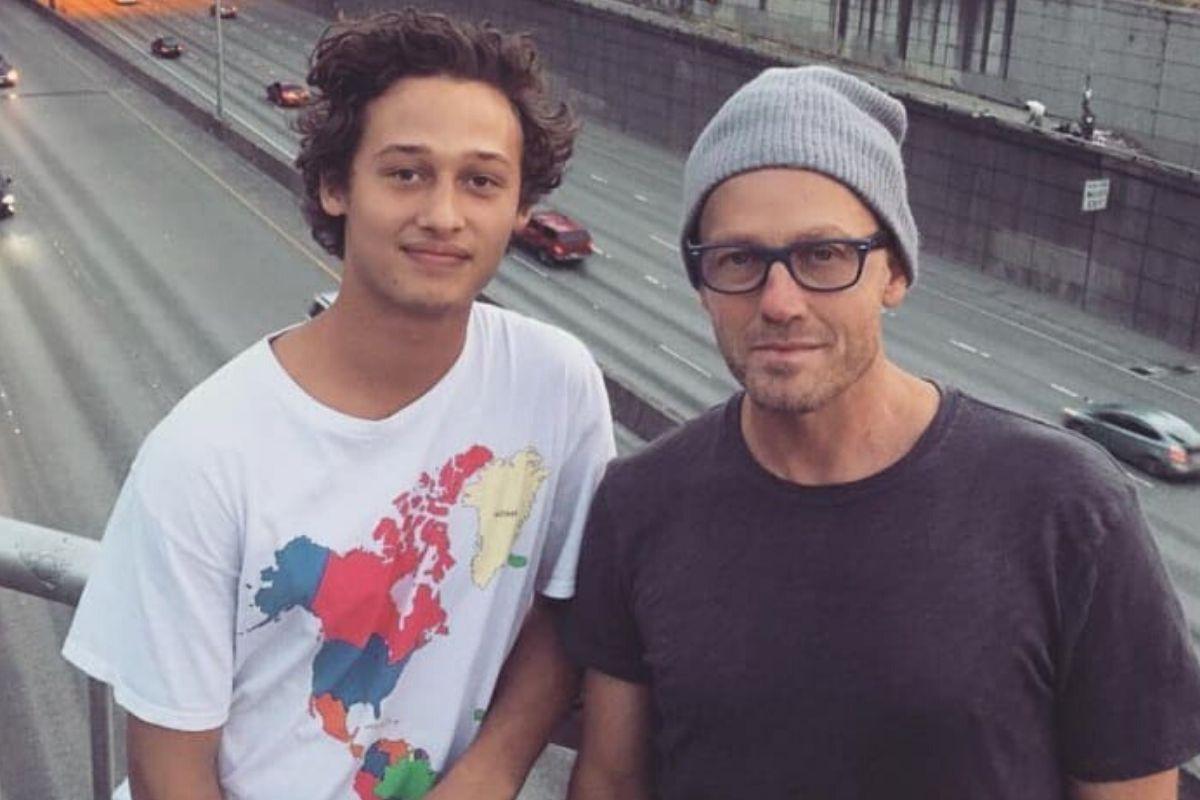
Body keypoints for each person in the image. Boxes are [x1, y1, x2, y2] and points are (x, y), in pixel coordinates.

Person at [564, 65, 1200, 799]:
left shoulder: (1067, 508)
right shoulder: (639, 505)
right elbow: (611, 781)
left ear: (894, 272)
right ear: (702, 285)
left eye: (823, 255)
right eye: (739, 259)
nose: (780, 301)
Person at [63, 9, 614, 800]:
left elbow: (570, 604)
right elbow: (168, 770)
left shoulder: (555, 384)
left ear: (520, 209)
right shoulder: (204, 456)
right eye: (406, 173)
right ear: (334, 186)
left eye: (482, 181)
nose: (444, 215)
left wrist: (490, 772)